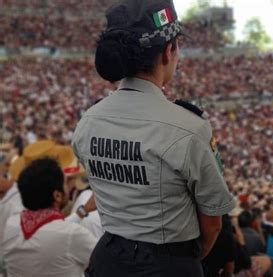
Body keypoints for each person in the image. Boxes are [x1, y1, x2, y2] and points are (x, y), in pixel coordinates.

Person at [72, 1, 236, 275]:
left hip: (107, 260)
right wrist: (182, 262)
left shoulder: (88, 121)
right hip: (168, 263)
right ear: (168, 51)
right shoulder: (189, 126)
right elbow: (212, 224)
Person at [2, 158, 97, 277]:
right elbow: (107, 262)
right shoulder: (72, 234)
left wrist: (82, 212)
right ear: (57, 195)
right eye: (65, 182)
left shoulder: (11, 225)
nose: (67, 186)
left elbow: (46, 229)